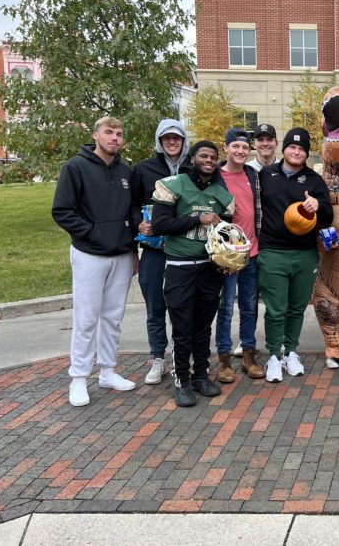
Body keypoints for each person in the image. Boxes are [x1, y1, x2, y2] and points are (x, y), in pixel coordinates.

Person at [52, 116, 138, 407]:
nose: (115, 138)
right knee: (86, 318)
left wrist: (133, 249)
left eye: (119, 133)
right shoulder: (75, 167)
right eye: (109, 132)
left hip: (121, 255)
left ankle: (108, 371)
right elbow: (62, 211)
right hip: (89, 254)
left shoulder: (126, 171)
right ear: (96, 135)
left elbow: (131, 212)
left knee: (113, 317)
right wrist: (94, 234)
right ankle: (78, 377)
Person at [151, 140, 235, 407]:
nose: (208, 160)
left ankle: (200, 375)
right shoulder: (174, 185)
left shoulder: (220, 193)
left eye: (212, 157)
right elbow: (160, 225)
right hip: (180, 265)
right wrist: (198, 219)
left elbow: (226, 232)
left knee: (203, 325)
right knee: (183, 326)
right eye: (203, 156)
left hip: (209, 267)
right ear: (192, 158)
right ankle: (181, 380)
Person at [257, 127, 334, 382]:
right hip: (272, 251)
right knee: (275, 310)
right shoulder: (266, 175)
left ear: (306, 153)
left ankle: (291, 352)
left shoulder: (314, 180)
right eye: (292, 147)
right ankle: (273, 356)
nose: (297, 152)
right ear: (284, 148)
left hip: (304, 253)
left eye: (301, 149)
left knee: (297, 308)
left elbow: (328, 216)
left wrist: (318, 205)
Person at [129, 119, 191, 385]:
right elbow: (131, 205)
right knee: (155, 305)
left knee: (184, 307)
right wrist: (137, 223)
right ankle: (158, 357)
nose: (172, 142)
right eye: (167, 138)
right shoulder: (143, 169)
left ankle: (182, 356)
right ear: (159, 141)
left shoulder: (192, 168)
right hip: (154, 250)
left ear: (184, 140)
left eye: (176, 137)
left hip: (185, 250)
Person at [215, 128, 264, 382]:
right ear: (226, 148)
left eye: (245, 147)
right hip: (226, 255)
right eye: (236, 146)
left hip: (251, 253)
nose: (241, 151)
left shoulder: (252, 175)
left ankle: (248, 355)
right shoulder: (216, 176)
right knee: (225, 307)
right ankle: (223, 359)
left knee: (249, 306)